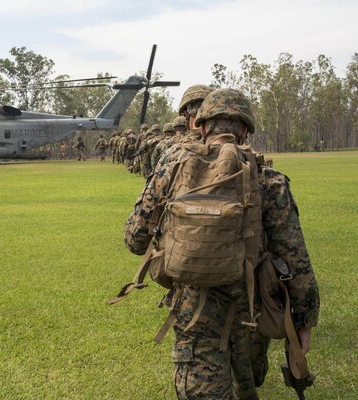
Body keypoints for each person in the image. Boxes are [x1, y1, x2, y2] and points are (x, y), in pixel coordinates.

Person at [124, 88, 319, 399]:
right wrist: (304, 322)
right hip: (251, 314)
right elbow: (296, 260)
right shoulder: (269, 180)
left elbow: (134, 239)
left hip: (194, 315)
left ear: (201, 126)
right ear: (244, 129)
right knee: (247, 385)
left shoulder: (171, 169)